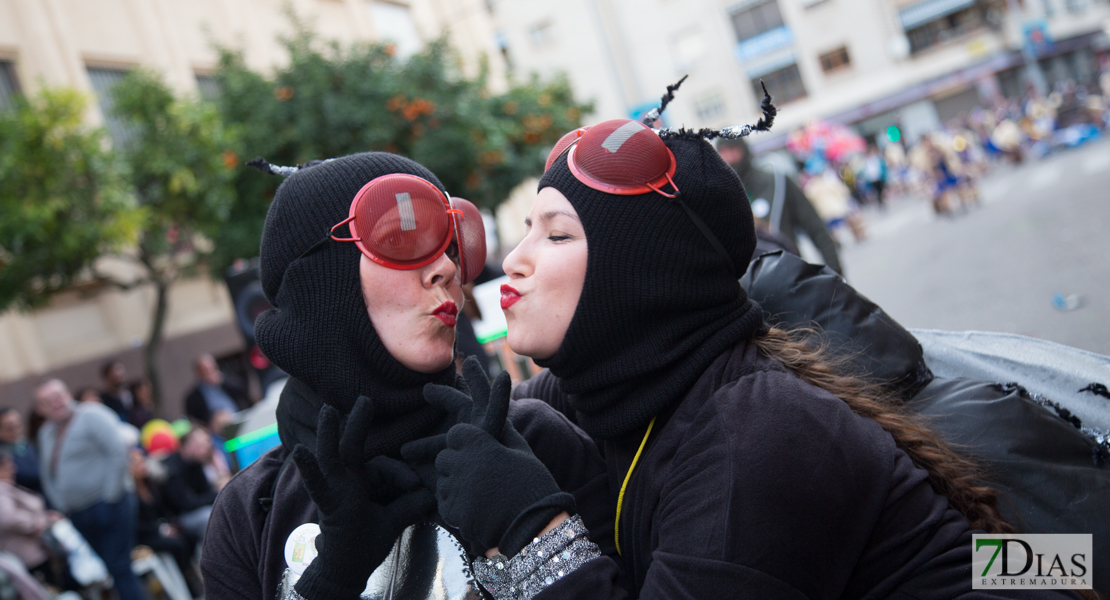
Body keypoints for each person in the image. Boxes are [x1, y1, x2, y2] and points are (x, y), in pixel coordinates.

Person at [407, 116, 1081, 599]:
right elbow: (468, 425)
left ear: (641, 275)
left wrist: (537, 537)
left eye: (556, 234)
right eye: (527, 228)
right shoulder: (609, 390)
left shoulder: (757, 435)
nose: (516, 260)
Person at [201, 152, 610, 600]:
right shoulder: (250, 511)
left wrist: (532, 534)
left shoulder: (535, 440)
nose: (449, 269)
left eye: (452, 244)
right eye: (403, 238)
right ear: (320, 283)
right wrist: (330, 582)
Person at [34, 379, 148, 600]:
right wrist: (62, 504)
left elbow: (117, 453)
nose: (55, 403)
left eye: (58, 396)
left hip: (110, 505)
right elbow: (48, 475)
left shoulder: (92, 415)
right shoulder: (46, 433)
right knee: (112, 568)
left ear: (68, 394)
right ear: (40, 408)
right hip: (78, 512)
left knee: (119, 567)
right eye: (48, 401)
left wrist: (110, 496)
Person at [716, 136, 843, 274]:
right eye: (722, 152)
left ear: (744, 150)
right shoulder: (718, 198)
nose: (729, 157)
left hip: (791, 276)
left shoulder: (778, 183)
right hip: (749, 288)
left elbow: (816, 229)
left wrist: (836, 274)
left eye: (733, 149)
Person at [0, 447, 61, 574]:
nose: (13, 468)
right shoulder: (1, 490)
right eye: (7, 465)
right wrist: (37, 523)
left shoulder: (8, 486)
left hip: (35, 551)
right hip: (27, 555)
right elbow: (7, 518)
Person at [161, 427, 223, 541]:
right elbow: (187, 503)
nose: (204, 450)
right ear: (187, 445)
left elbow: (206, 491)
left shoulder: (196, 462)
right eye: (199, 446)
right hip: (179, 518)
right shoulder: (173, 469)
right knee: (209, 517)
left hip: (196, 509)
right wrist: (217, 493)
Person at [183, 354, 249, 429]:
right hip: (214, 429)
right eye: (205, 371)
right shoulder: (194, 396)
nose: (210, 373)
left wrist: (223, 380)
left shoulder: (226, 380)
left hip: (237, 418)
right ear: (199, 373)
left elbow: (242, 390)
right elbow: (194, 419)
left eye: (211, 368)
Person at [0, 408, 41, 494]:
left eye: (18, 425)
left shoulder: (27, 444)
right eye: (10, 428)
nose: (17, 430)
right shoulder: (3, 453)